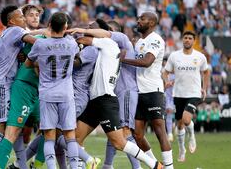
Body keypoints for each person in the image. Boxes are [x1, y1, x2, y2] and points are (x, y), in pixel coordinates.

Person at [67, 25, 163, 169]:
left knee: (119, 142)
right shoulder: (104, 50)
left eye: (93, 28)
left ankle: (153, 164)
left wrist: (72, 35)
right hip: (95, 101)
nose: (91, 30)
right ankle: (82, 165)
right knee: (75, 138)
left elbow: (84, 39)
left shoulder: (109, 44)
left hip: (105, 100)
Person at [0, 5, 37, 169]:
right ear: (11, 21)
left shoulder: (10, 34)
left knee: (14, 127)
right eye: (20, 16)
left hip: (6, 84)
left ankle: (22, 165)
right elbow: (34, 40)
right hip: (2, 84)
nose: (24, 18)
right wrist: (54, 43)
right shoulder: (15, 31)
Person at [25, 12, 80, 169]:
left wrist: (40, 64)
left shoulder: (40, 45)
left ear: (49, 25)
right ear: (66, 26)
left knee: (49, 136)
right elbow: (76, 58)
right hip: (66, 94)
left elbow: (28, 64)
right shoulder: (71, 43)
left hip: (47, 93)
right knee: (70, 135)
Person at [121, 12, 174, 168]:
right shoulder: (139, 42)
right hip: (139, 93)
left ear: (151, 23)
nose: (138, 21)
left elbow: (147, 62)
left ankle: (169, 167)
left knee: (159, 130)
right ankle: (156, 165)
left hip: (153, 91)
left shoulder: (156, 40)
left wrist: (123, 60)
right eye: (138, 18)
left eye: (142, 19)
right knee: (137, 135)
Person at [0, 4, 44, 169]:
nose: (34, 17)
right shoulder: (18, 35)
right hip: (22, 88)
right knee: (14, 133)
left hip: (38, 92)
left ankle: (29, 165)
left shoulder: (41, 36)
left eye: (37, 14)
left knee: (49, 128)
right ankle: (3, 163)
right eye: (30, 15)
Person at [163, 31, 209, 162]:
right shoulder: (174, 56)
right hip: (178, 93)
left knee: (186, 119)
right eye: (185, 38)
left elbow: (206, 72)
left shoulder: (200, 56)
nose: (187, 40)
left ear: (194, 41)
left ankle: (192, 136)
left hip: (194, 93)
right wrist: (166, 81)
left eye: (190, 38)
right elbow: (165, 72)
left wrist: (204, 89)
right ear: (182, 40)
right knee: (179, 125)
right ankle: (182, 149)